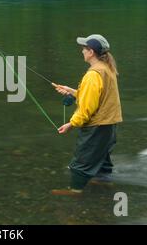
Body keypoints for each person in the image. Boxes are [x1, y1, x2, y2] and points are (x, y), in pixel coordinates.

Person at [51, 34, 123, 196]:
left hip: (96, 127)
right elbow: (97, 97)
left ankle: (75, 191)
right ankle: (104, 186)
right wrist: (73, 91)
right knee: (103, 160)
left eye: (84, 49)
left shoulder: (92, 75)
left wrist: (71, 124)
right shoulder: (106, 68)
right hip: (109, 125)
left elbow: (86, 109)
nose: (82, 52)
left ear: (91, 52)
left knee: (80, 164)